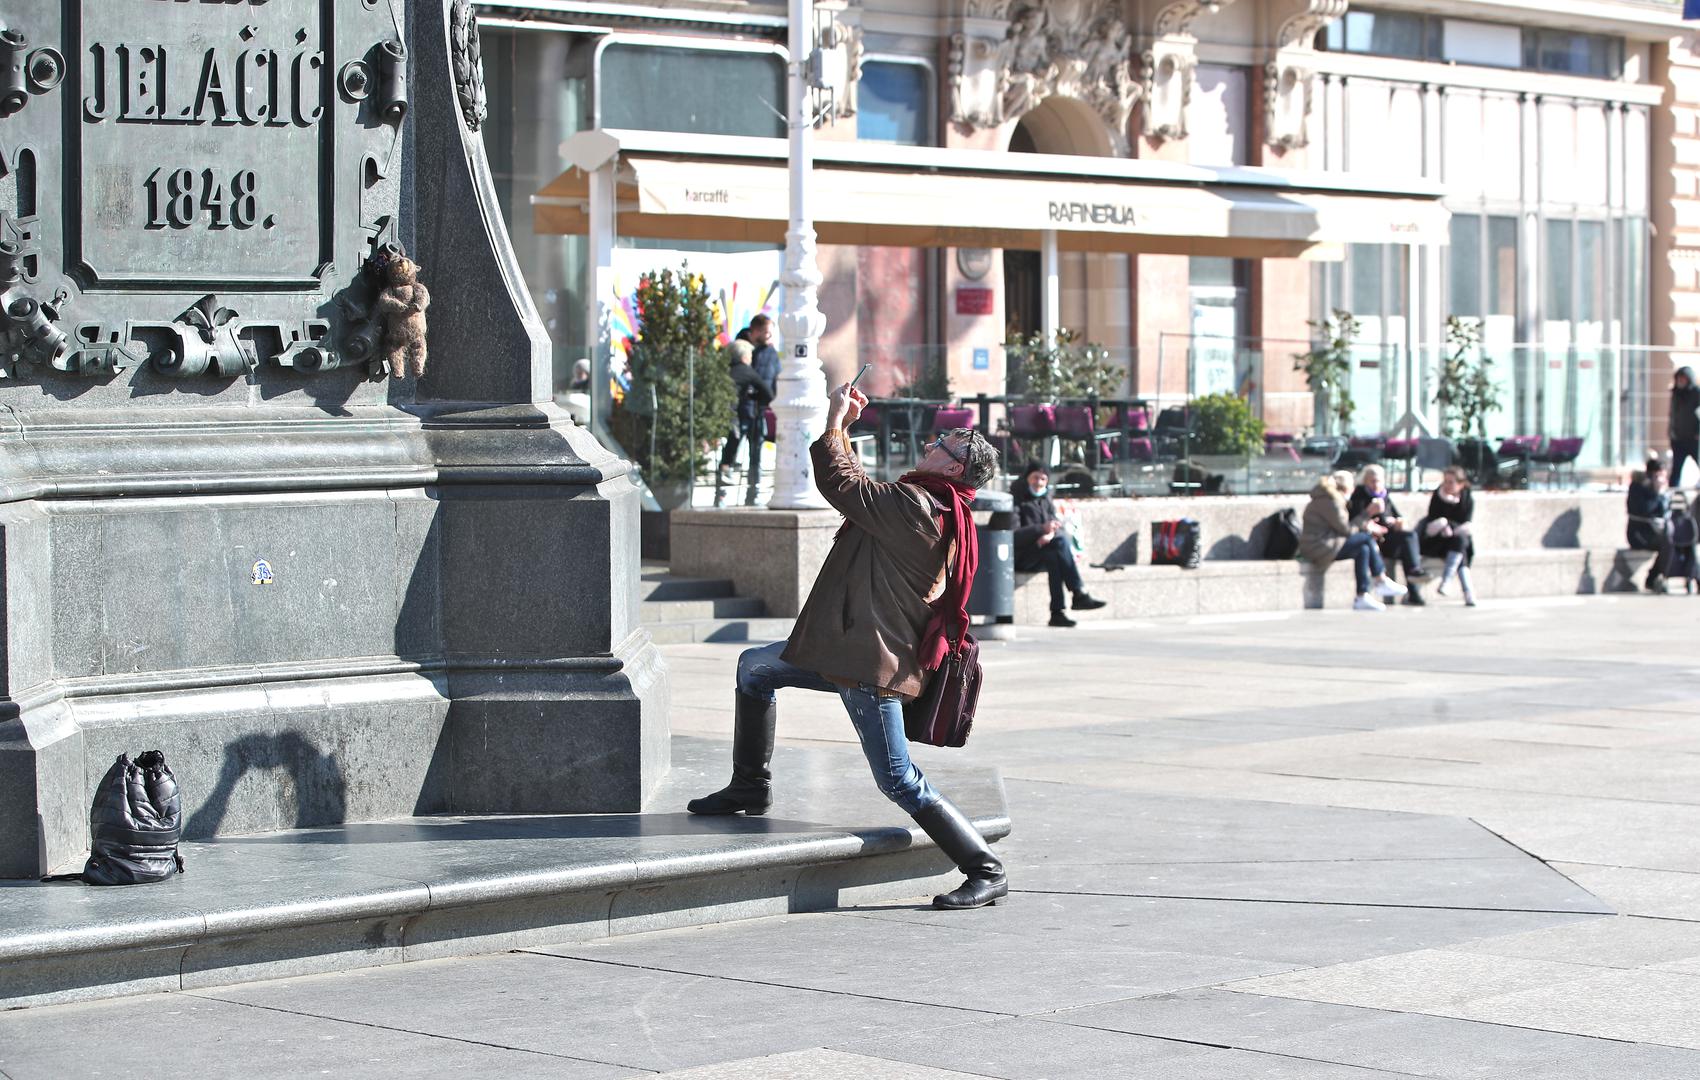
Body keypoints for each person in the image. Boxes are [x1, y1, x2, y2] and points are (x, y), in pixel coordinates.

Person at [688, 384, 1009, 911]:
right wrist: (845, 431)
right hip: (847, 648)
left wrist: (836, 417)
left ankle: (985, 868)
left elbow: (844, 485)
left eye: (942, 444)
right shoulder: (933, 507)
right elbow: (863, 495)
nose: (931, 444)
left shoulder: (918, 507)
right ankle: (749, 786)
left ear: (954, 469)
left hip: (869, 664)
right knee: (755, 668)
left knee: (899, 780)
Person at [1012, 462, 1106, 627]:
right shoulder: (1016, 499)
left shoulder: (1046, 498)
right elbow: (1013, 535)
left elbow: (1057, 525)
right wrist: (1041, 530)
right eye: (1035, 477)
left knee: (1054, 556)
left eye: (1043, 479)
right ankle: (1078, 593)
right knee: (1059, 547)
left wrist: (1050, 534)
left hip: (1045, 550)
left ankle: (1058, 613)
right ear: (1027, 478)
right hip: (1022, 555)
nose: (1039, 483)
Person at [1301, 469, 1404, 611]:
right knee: (1366, 539)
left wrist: (1365, 523)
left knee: (1362, 549)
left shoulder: (1328, 499)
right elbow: (1347, 530)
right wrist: (1367, 514)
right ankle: (1380, 579)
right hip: (1319, 547)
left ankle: (1362, 596)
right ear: (1344, 488)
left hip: (1325, 544)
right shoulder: (1331, 502)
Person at [1347, 464, 1429, 607]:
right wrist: (1369, 513)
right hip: (1371, 539)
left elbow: (1396, 515)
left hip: (1388, 536)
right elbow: (1353, 523)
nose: (1376, 484)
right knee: (1396, 545)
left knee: (1408, 537)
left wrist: (1399, 522)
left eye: (1378, 481)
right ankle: (1402, 582)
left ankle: (1414, 580)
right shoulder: (1359, 495)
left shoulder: (1384, 495)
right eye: (1372, 481)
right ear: (1365, 481)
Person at [717, 340, 773, 506]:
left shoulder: (724, 370)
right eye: (749, 355)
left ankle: (720, 495)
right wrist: (751, 397)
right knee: (751, 454)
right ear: (743, 357)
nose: (751, 358)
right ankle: (751, 493)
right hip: (737, 416)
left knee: (728, 451)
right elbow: (768, 394)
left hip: (720, 414)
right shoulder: (747, 371)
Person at [1419, 466, 1477, 606]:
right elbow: (1432, 518)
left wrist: (1450, 526)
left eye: (1451, 482)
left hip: (1456, 538)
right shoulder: (1438, 496)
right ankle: (1465, 591)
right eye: (1445, 481)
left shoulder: (1467, 498)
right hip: (1437, 540)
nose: (1447, 485)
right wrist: (1446, 525)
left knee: (1461, 541)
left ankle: (1448, 582)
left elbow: (1466, 521)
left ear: (1461, 484)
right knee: (1461, 547)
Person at [1627, 457, 1673, 593]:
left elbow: (1664, 512)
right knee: (1668, 543)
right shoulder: (1637, 487)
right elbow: (1645, 510)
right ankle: (1653, 578)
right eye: (1658, 475)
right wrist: (1657, 493)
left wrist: (1662, 494)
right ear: (1651, 474)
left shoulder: (1662, 489)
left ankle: (1656, 577)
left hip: (1655, 532)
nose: (1661, 479)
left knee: (1672, 541)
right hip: (1639, 534)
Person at [1672, 367, 1699, 488]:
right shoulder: (1676, 393)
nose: (1680, 381)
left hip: (1695, 439)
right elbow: (1673, 414)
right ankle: (1672, 492)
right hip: (1678, 439)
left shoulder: (1697, 393)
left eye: (1683, 379)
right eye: (1679, 379)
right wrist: (1671, 432)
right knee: (1676, 470)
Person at [746, 314, 781, 399]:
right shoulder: (741, 349)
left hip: (764, 405)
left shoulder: (771, 353)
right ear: (756, 332)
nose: (770, 336)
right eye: (767, 332)